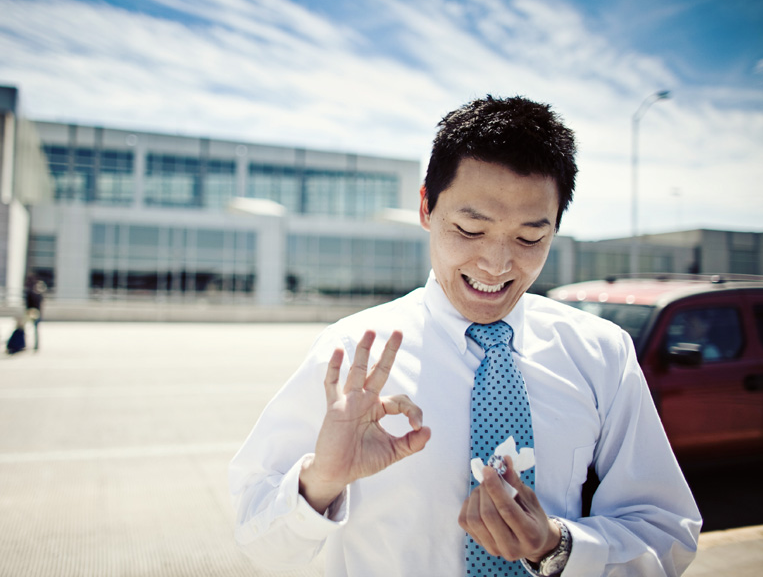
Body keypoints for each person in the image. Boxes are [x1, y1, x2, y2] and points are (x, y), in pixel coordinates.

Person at [228, 96, 701, 576]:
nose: (496, 265)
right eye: (470, 229)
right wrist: (321, 482)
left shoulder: (601, 354)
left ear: (556, 228)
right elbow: (259, 542)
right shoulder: (351, 357)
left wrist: (558, 546)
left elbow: (667, 533)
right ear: (426, 208)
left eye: (529, 239)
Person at [25, 279, 45, 351]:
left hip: (36, 313)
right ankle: (25, 344)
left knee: (35, 330)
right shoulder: (31, 294)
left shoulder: (39, 295)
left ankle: (36, 345)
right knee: (27, 329)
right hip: (31, 312)